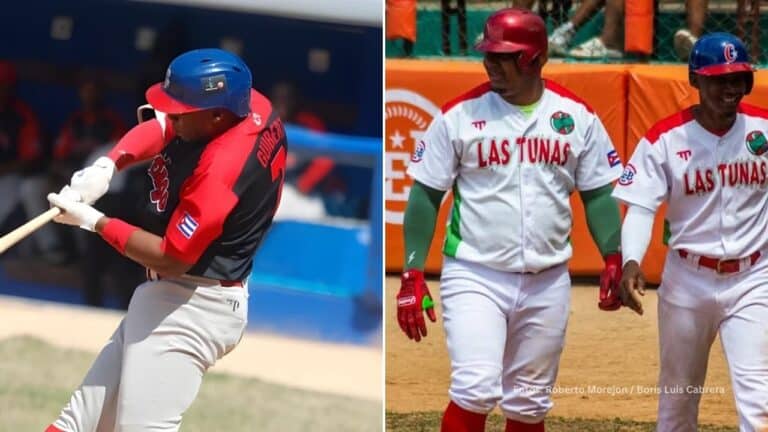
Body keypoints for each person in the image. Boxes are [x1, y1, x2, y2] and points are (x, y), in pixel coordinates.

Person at [396, 8, 625, 431]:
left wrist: (613, 256)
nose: (490, 63)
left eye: (503, 55)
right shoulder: (458, 116)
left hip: (548, 278)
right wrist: (411, 272)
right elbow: (426, 196)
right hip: (476, 273)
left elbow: (597, 196)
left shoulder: (576, 117)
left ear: (535, 58)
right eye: (488, 53)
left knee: (529, 403)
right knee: (475, 388)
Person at [44, 48, 287, 431]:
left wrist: (93, 221)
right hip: (172, 295)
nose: (170, 117)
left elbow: (172, 256)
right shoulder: (244, 102)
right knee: (75, 425)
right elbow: (160, 127)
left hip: (196, 306)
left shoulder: (222, 169)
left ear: (216, 116)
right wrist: (110, 164)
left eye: (180, 113)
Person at [614, 33, 768, 430]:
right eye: (718, 79)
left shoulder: (763, 129)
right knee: (678, 402)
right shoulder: (665, 139)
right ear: (695, 81)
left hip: (754, 278)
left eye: (738, 78)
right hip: (687, 280)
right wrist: (631, 259)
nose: (729, 88)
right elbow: (642, 207)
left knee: (760, 401)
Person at [0, 60, 66, 263]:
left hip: (14, 177)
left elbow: (29, 161)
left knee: (22, 190)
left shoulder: (21, 116)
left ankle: (52, 250)